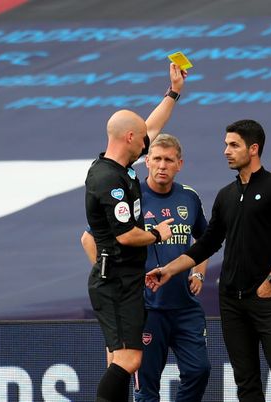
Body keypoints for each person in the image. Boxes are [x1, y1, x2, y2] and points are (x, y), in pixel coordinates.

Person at [146, 119, 271, 402]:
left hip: (268, 300)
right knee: (246, 382)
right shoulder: (226, 196)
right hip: (232, 301)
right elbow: (207, 243)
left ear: (253, 149)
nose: (226, 151)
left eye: (233, 145)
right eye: (226, 145)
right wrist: (170, 270)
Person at [84, 63, 187, 402]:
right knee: (129, 359)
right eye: (143, 139)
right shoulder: (108, 180)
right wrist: (157, 234)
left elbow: (152, 125)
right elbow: (126, 235)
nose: (149, 142)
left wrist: (173, 92)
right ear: (130, 138)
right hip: (116, 281)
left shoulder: (121, 165)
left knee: (117, 358)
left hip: (124, 279)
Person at [82, 133, 211, 401]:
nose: (162, 165)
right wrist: (114, 274)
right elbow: (89, 238)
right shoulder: (131, 195)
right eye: (157, 159)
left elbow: (205, 240)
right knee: (147, 387)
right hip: (147, 308)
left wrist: (198, 271)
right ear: (147, 162)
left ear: (180, 164)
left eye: (169, 160)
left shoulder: (189, 197)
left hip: (185, 306)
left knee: (200, 370)